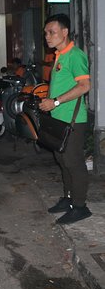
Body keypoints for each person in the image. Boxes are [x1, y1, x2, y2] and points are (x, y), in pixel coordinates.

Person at [39, 14, 91, 225]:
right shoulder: (60, 55)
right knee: (62, 160)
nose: (47, 37)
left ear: (65, 32)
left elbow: (84, 86)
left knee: (73, 162)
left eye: (51, 32)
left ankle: (80, 206)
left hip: (73, 119)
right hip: (58, 119)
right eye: (45, 33)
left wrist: (56, 102)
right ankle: (68, 199)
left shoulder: (75, 55)